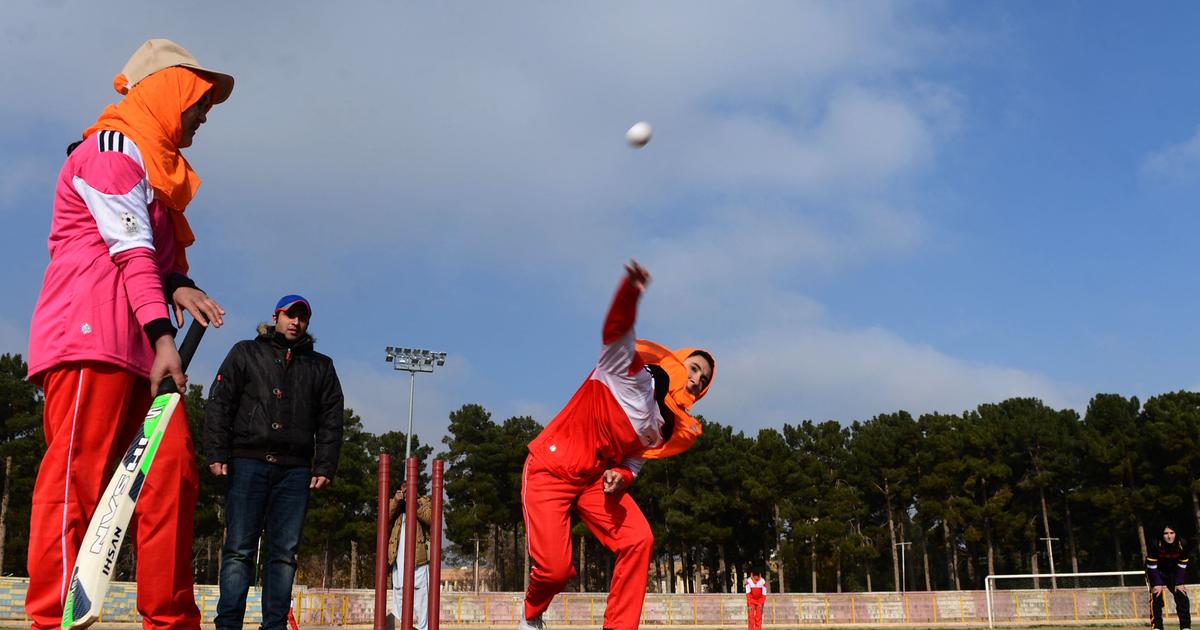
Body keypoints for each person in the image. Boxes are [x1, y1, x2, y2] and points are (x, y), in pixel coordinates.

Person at [24, 38, 232, 630]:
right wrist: (166, 334)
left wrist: (178, 286)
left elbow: (152, 257)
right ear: (167, 93)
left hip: (144, 344)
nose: (202, 116)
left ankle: (170, 620)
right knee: (78, 479)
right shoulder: (110, 150)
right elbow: (129, 249)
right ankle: (50, 619)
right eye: (197, 103)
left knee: (173, 477)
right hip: (94, 340)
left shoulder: (157, 176)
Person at [520, 260, 716, 630]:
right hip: (551, 469)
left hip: (595, 481)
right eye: (692, 368)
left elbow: (635, 461)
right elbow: (617, 328)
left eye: (702, 380)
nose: (695, 381)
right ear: (675, 361)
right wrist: (630, 291)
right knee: (555, 570)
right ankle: (531, 614)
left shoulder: (666, 428)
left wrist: (622, 476)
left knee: (639, 539)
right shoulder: (626, 370)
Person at [204, 295, 345, 630]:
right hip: (247, 463)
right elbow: (220, 402)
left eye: (302, 318)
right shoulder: (245, 352)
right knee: (239, 549)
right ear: (276, 316)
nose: (295, 322)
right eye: (290, 315)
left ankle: (275, 625)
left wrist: (324, 465)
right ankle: (228, 625)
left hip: (295, 472)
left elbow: (332, 419)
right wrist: (216, 452)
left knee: (283, 555)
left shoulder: (320, 366)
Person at [388, 485, 433, 630]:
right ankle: (400, 625)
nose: (406, 494)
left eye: (409, 491)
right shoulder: (398, 508)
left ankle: (423, 628)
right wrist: (396, 500)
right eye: (404, 491)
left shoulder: (423, 501)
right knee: (399, 595)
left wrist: (414, 502)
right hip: (398, 561)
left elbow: (432, 518)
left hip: (419, 561)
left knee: (422, 601)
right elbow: (384, 516)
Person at [1147, 524, 1191, 630]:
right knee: (1156, 595)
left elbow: (1183, 562)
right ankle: (1157, 627)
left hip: (1173, 572)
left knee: (1182, 595)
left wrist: (1179, 582)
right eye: (1166, 533)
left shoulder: (1182, 543)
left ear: (1176, 534)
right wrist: (1157, 583)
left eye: (1172, 533)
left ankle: (1185, 627)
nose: (1169, 536)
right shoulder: (1155, 543)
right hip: (1156, 571)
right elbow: (1151, 564)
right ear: (1162, 535)